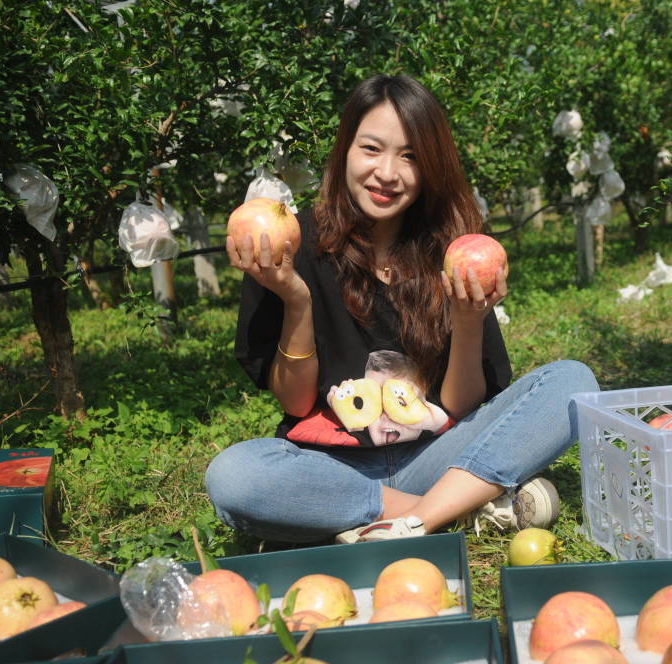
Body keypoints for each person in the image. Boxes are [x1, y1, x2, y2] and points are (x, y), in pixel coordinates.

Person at [205, 74, 598, 545]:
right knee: (235, 476)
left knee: (572, 382)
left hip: (436, 457)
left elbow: (458, 407)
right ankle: (448, 509)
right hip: (332, 469)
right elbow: (295, 405)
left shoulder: (451, 251)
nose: (387, 173)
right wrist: (296, 299)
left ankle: (411, 519)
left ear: (430, 166)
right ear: (345, 150)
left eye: (409, 156)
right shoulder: (291, 244)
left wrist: (469, 320)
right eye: (371, 149)